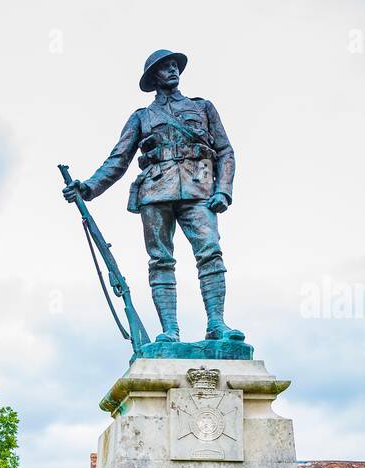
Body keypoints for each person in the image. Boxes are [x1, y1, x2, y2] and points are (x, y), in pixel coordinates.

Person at [62, 49, 242, 344]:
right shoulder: (142, 117)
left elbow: (225, 151)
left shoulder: (203, 107)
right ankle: (170, 331)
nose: (173, 70)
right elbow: (118, 159)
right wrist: (89, 187)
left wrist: (224, 189)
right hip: (156, 192)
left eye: (175, 66)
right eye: (165, 67)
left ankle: (217, 324)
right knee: (160, 260)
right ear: (153, 77)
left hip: (199, 190)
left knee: (210, 252)